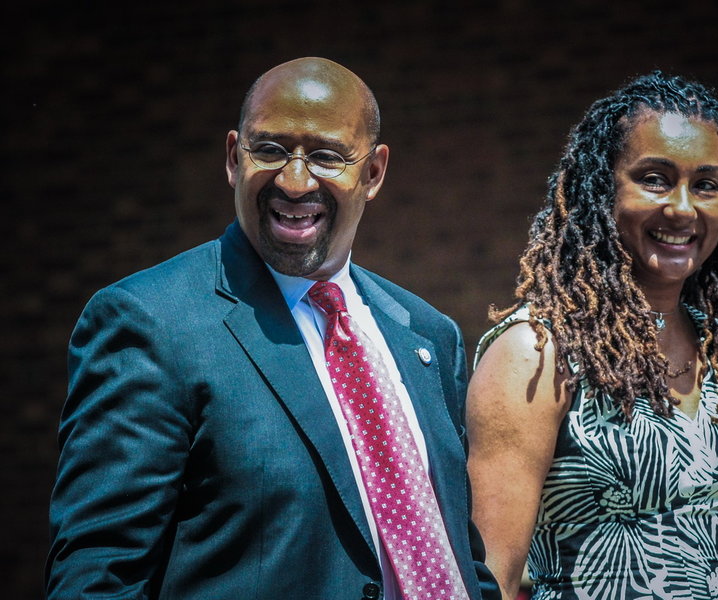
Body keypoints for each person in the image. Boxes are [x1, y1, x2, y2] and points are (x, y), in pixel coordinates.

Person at [47, 57, 499, 600]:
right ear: (234, 158)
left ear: (373, 173)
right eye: (270, 150)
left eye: (328, 156)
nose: (295, 180)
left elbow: (457, 554)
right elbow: (99, 577)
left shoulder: (427, 334)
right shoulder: (151, 323)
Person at [466, 72, 718, 600]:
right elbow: (487, 578)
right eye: (655, 178)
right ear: (602, 188)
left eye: (706, 184)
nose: (683, 208)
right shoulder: (537, 354)